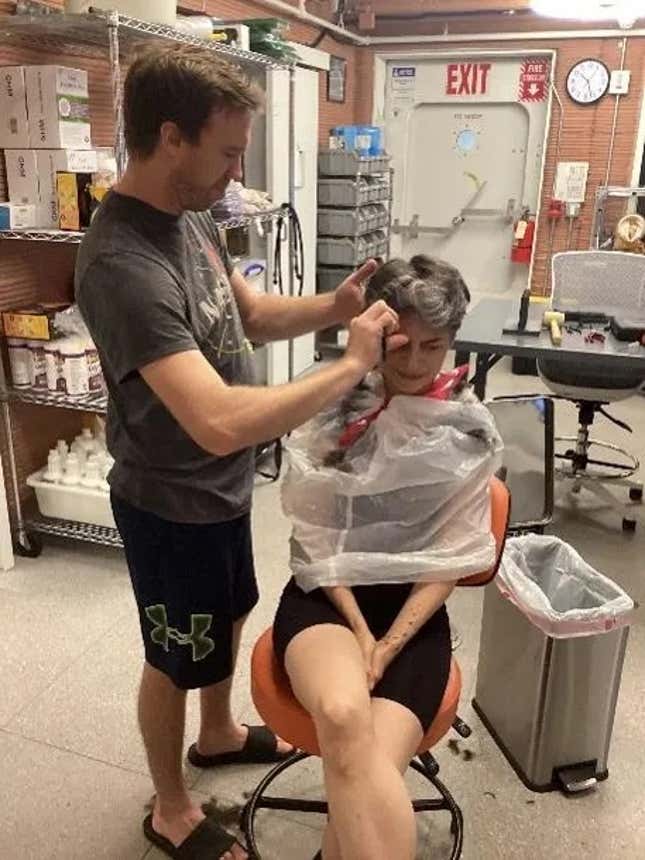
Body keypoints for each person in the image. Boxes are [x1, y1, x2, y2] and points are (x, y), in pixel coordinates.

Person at [75, 45, 400, 860]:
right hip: (168, 501)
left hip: (219, 490)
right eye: (225, 152)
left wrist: (333, 305)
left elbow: (247, 315)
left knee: (228, 615)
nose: (235, 171)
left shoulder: (189, 216)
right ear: (170, 138)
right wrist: (351, 366)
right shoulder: (122, 263)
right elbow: (216, 420)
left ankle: (216, 733)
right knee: (172, 656)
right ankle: (171, 808)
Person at [274, 255, 492, 860]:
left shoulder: (467, 429)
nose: (417, 365)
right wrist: (361, 633)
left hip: (414, 617)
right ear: (375, 333)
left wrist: (389, 644)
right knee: (344, 715)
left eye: (434, 347)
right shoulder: (334, 408)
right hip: (328, 598)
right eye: (401, 346)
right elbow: (315, 543)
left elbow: (449, 560)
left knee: (363, 765)